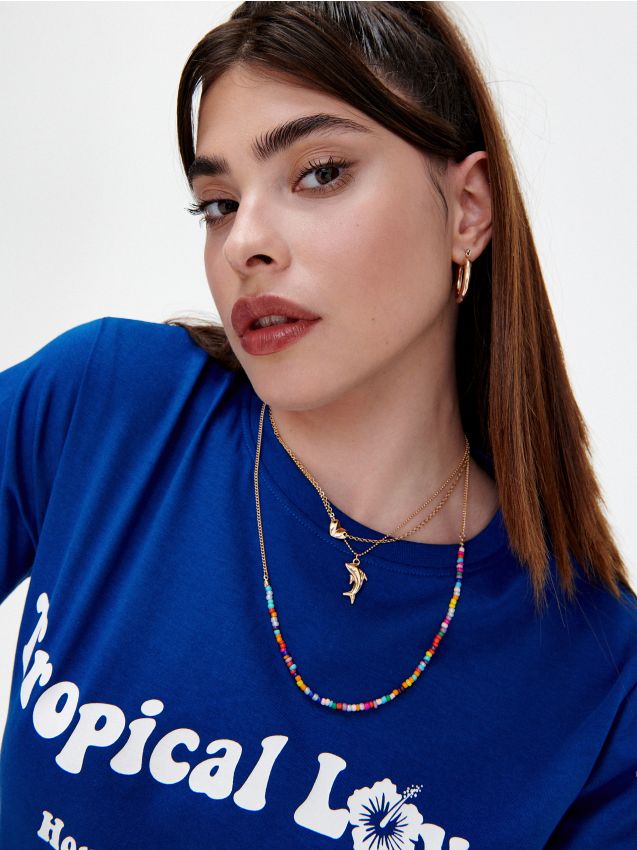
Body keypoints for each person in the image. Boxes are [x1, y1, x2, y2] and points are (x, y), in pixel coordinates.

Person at [1, 2, 635, 848]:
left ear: (466, 210)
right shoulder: (105, 406)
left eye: (319, 173)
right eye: (218, 202)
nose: (244, 242)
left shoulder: (600, 678)